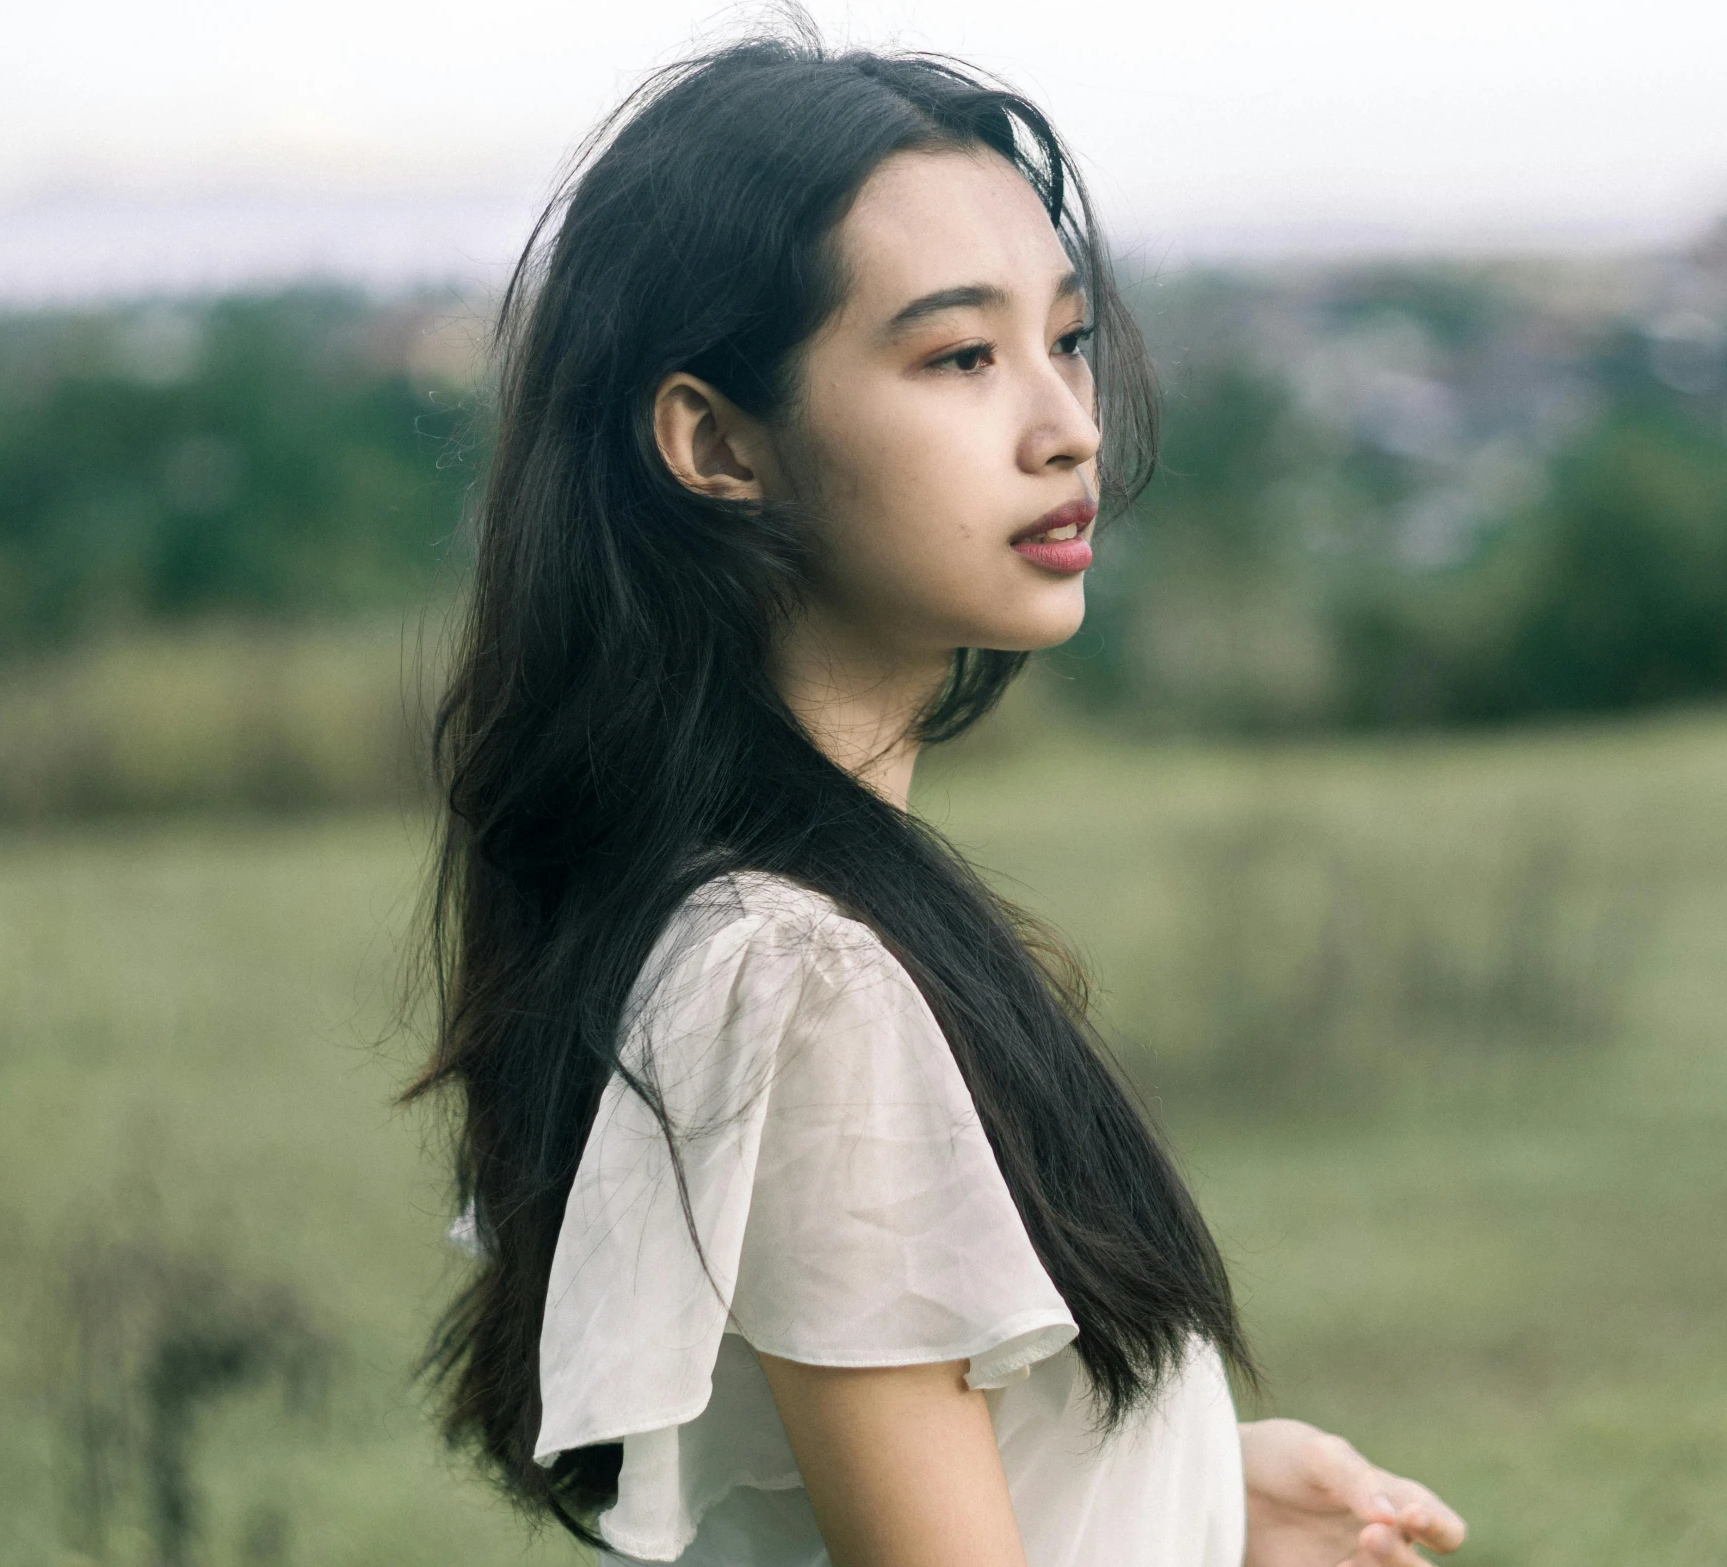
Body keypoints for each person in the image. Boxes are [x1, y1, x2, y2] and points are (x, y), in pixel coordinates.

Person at [400, 24, 1468, 1567]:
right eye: (960, 356)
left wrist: (1195, 1495)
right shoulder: (798, 975)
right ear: (714, 440)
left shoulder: (763, 915)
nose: (1067, 428)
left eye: (1067, 339)